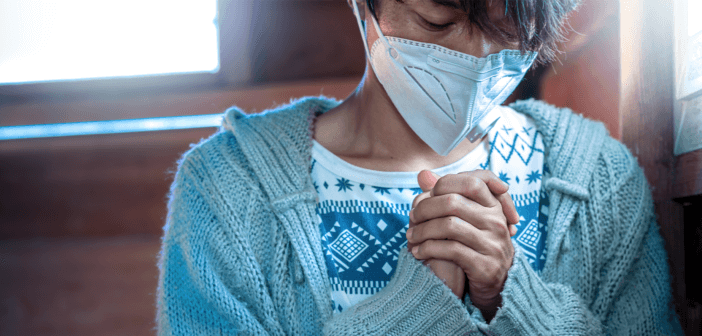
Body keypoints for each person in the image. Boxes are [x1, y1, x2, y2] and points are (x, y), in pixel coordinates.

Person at [156, 0, 683, 334]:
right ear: (365, 7)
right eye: (438, 20)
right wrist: (418, 306)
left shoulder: (595, 178)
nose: (475, 57)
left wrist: (512, 296)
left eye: (507, 30)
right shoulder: (229, 189)